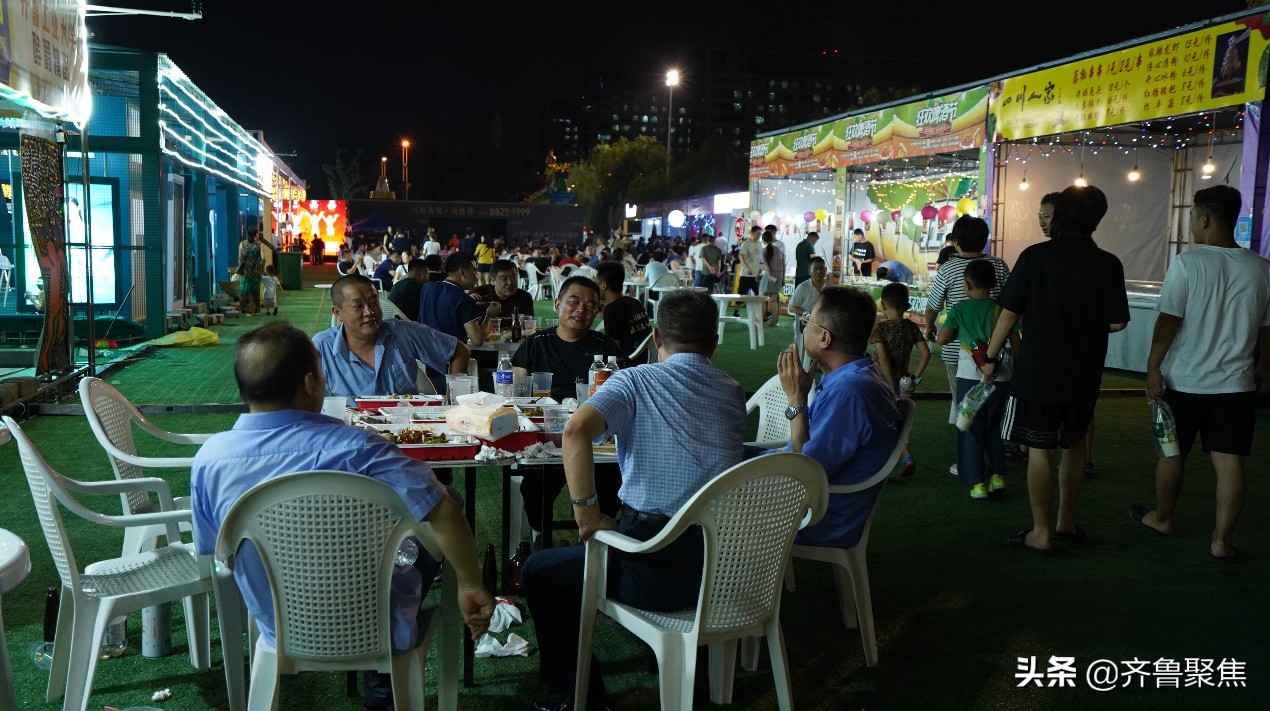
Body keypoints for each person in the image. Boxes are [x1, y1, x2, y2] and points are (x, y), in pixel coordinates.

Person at [191, 321, 494, 711]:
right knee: (442, 504)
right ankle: (385, 690)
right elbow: (443, 509)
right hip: (375, 621)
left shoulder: (210, 460)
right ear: (311, 383)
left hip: (279, 626)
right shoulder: (359, 447)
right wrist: (471, 582)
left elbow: (214, 553)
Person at [522, 291, 745, 711]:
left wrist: (586, 515)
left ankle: (583, 697)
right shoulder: (732, 391)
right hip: (726, 566)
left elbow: (574, 433)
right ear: (713, 342)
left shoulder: (635, 379)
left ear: (657, 337)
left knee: (540, 571)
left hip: (657, 564)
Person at [981, 185, 1129, 554]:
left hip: (1039, 369)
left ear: (1060, 215)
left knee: (1039, 449)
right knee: (1075, 444)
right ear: (1096, 220)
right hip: (1084, 370)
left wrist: (991, 355)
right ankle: (1066, 522)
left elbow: (1009, 313)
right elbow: (1117, 324)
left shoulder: (1034, 257)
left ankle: (1041, 531)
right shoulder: (1108, 263)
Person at [1131, 184, 1270, 561]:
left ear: (1205, 218)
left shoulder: (1187, 264)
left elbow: (1168, 322)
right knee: (1229, 462)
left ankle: (1162, 518)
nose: (1192, 222)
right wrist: (1264, 366)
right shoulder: (1262, 268)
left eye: (1192, 215)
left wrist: (1152, 368)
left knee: (1171, 454)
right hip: (1237, 385)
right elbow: (1267, 328)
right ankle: (1221, 541)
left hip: (1184, 381)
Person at [778, 286, 902, 548]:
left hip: (813, 516)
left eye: (807, 321)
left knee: (699, 499)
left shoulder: (850, 392)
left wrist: (796, 400)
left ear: (824, 338)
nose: (803, 329)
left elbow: (806, 472)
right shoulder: (862, 374)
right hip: (809, 499)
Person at [511, 276, 625, 536]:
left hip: (596, 441)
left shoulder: (605, 348)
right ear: (557, 304)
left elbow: (624, 395)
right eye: (574, 301)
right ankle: (542, 537)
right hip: (546, 439)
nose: (581, 310)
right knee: (535, 490)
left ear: (597, 312)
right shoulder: (535, 344)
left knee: (612, 483)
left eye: (591, 305)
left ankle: (595, 545)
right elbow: (517, 397)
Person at [314, 274, 469, 404]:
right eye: (358, 306)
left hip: (405, 431)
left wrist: (453, 402)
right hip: (350, 433)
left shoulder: (404, 333)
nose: (369, 311)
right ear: (338, 313)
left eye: (374, 302)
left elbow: (459, 350)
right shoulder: (322, 346)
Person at [923, 216, 1012, 437]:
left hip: (958, 351)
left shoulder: (948, 269)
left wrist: (930, 327)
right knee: (993, 408)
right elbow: (1012, 304)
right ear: (984, 240)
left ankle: (967, 457)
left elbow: (933, 306)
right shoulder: (999, 265)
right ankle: (989, 453)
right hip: (996, 351)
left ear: (957, 242)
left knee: (964, 404)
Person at [936, 259, 1018, 499]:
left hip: (969, 378)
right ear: (993, 284)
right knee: (992, 427)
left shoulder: (960, 309)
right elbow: (1016, 342)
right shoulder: (1001, 310)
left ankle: (978, 483)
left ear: (967, 285)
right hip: (1001, 377)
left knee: (970, 428)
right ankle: (997, 476)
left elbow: (942, 339)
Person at [871, 281, 930, 478]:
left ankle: (894, 461)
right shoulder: (912, 328)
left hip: (881, 380)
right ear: (907, 306)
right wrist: (915, 379)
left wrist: (890, 384)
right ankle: (903, 458)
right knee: (896, 419)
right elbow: (925, 354)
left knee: (883, 421)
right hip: (903, 380)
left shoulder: (880, 329)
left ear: (883, 306)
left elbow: (884, 360)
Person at [418, 252, 500, 389]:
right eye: (474, 270)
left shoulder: (428, 288)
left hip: (424, 366)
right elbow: (477, 340)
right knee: (494, 381)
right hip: (451, 370)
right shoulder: (464, 300)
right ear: (462, 272)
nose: (477, 275)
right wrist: (490, 315)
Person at [595, 261, 652, 356]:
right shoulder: (635, 302)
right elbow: (625, 324)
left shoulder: (611, 310)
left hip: (630, 363)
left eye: (595, 282)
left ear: (603, 286)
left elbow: (614, 352)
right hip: (648, 357)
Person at [788, 256, 827, 367]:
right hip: (806, 322)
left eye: (822, 268)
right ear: (809, 271)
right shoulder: (803, 287)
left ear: (825, 270)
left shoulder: (830, 287)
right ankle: (811, 360)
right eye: (815, 269)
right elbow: (792, 307)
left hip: (825, 322)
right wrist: (807, 314)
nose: (819, 271)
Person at [760, 229, 786, 327]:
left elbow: (766, 265)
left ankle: (761, 320)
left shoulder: (764, 250)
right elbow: (784, 265)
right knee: (774, 300)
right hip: (779, 274)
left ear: (763, 240)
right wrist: (783, 278)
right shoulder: (779, 250)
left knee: (763, 299)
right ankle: (774, 321)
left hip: (769, 274)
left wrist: (770, 275)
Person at [237, 230, 265, 316]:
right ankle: (256, 310)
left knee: (245, 289)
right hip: (256, 269)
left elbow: (240, 258)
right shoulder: (259, 244)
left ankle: (247, 311)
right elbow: (263, 258)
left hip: (246, 269)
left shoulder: (242, 244)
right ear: (256, 235)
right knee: (255, 289)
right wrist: (261, 268)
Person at [737, 225, 762, 299]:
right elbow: (742, 256)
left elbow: (760, 258)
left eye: (760, 234)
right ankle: (736, 309)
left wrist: (760, 270)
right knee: (742, 294)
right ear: (752, 233)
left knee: (759, 294)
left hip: (756, 275)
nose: (759, 236)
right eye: (758, 234)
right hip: (746, 274)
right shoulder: (746, 243)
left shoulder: (760, 244)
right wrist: (747, 268)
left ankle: (758, 310)